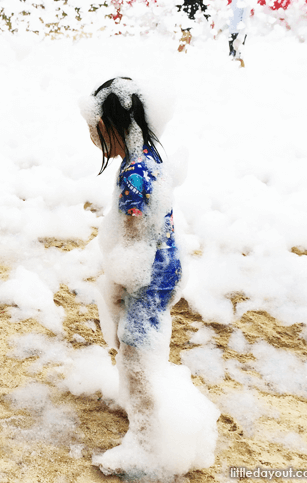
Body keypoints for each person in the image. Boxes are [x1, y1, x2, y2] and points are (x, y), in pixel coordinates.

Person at [82, 77, 218, 479]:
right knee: (142, 348)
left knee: (138, 358)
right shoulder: (148, 161)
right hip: (165, 263)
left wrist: (124, 276)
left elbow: (133, 228)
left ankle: (146, 444)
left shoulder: (134, 174)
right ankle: (152, 426)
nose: (92, 136)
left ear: (111, 126)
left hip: (149, 270)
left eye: (95, 128)